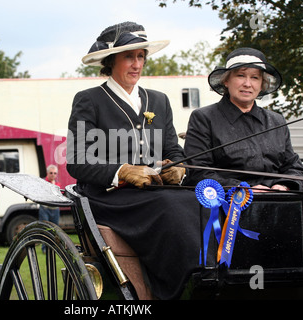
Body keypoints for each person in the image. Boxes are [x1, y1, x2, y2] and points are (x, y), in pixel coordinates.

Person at [66, 22, 205, 300]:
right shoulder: (89, 100)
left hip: (155, 194)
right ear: (110, 61)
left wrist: (177, 168)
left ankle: (203, 277)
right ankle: (174, 289)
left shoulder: (159, 100)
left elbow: (172, 149)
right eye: (129, 56)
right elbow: (76, 161)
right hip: (109, 199)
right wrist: (123, 171)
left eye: (141, 56)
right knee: (171, 206)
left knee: (195, 200)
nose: (137, 64)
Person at [184, 47, 303, 191]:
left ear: (262, 84)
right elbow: (198, 171)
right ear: (226, 81)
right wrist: (242, 189)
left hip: (277, 203)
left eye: (255, 77)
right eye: (241, 75)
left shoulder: (276, 120)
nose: (248, 84)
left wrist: (283, 185)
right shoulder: (204, 118)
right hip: (225, 205)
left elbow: (295, 168)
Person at [39, 164, 61, 252]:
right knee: (45, 228)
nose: (53, 175)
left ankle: (52, 247)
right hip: (45, 208)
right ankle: (44, 248)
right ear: (47, 173)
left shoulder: (57, 184)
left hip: (55, 209)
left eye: (55, 173)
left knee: (55, 229)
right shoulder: (43, 182)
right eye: (51, 173)